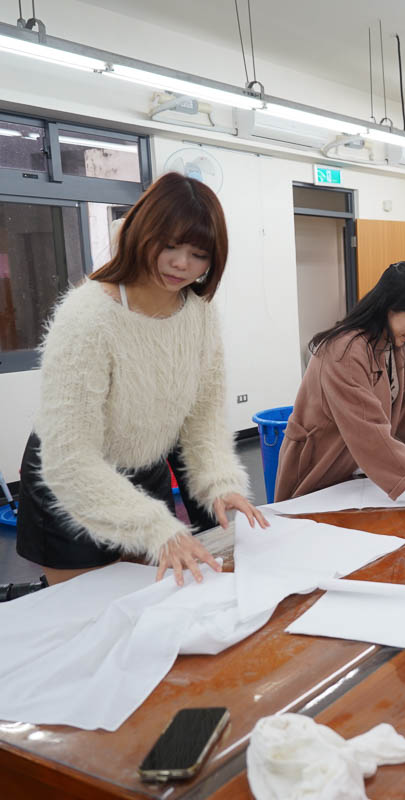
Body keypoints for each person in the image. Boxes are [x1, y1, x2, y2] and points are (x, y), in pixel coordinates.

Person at [15, 172, 267, 588]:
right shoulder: (88, 317)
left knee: (151, 604)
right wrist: (158, 528)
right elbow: (70, 458)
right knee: (87, 617)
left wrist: (219, 485)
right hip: (72, 478)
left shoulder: (199, 315)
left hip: (144, 469)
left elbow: (201, 422)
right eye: (169, 245)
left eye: (199, 253)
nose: (181, 264)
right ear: (140, 234)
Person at [275, 261, 405, 506]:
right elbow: (367, 428)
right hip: (320, 469)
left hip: (355, 473)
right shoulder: (345, 351)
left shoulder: (394, 346)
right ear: (390, 307)